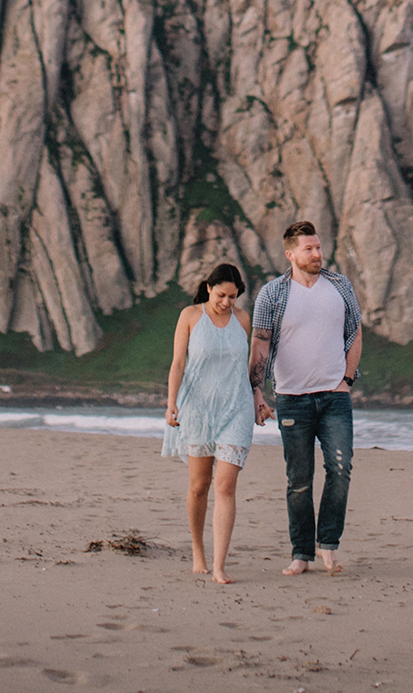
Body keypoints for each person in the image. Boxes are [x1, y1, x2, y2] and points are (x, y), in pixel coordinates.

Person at [248, 220, 362, 576]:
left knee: (340, 470)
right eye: (309, 249)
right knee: (299, 479)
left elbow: (355, 332)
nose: (317, 253)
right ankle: (301, 553)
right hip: (292, 399)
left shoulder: (340, 286)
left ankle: (328, 546)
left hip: (334, 398)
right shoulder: (272, 294)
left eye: (318, 247)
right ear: (291, 254)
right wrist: (257, 390)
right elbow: (260, 343)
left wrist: (346, 379)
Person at [162, 260, 264, 584]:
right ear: (208, 288)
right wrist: (171, 403)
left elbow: (249, 367)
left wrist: (258, 397)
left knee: (226, 485)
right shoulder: (190, 317)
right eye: (221, 295)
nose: (226, 303)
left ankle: (219, 565)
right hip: (198, 410)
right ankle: (198, 551)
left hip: (236, 409)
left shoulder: (243, 320)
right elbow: (178, 362)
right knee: (199, 486)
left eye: (233, 297)